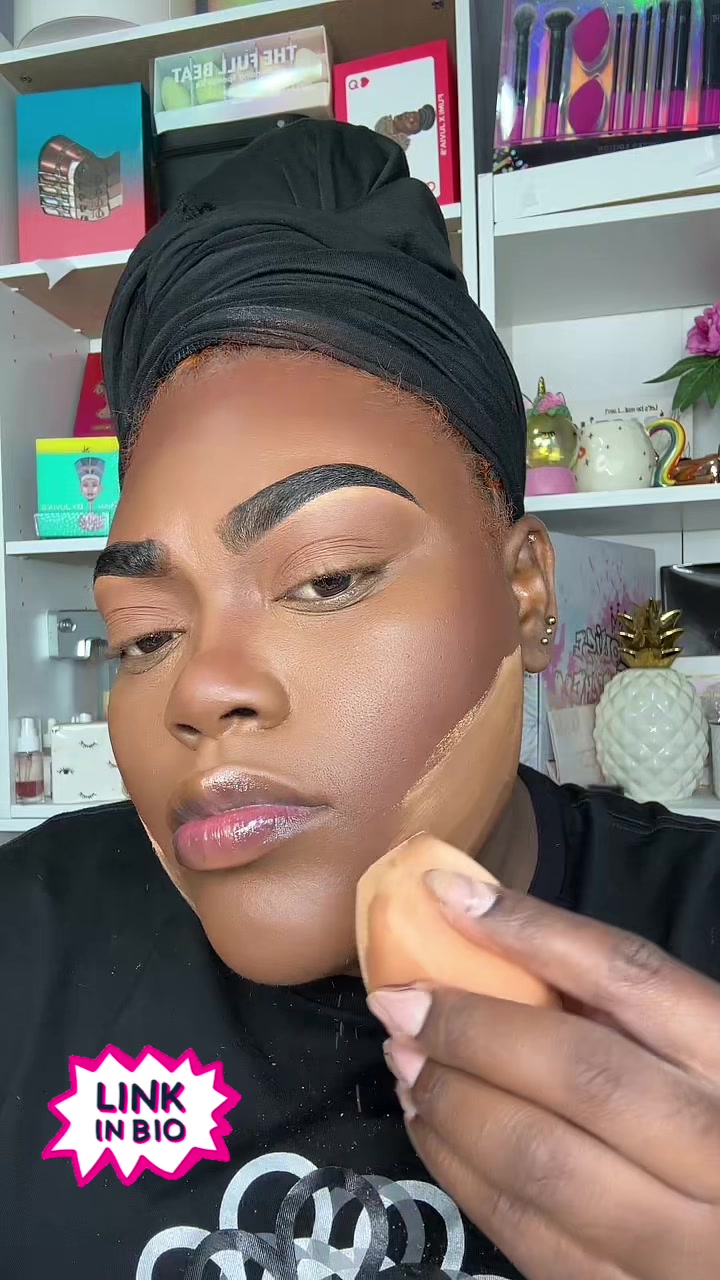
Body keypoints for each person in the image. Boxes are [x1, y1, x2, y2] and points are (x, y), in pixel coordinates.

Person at [1, 120, 718, 1280]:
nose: (203, 686)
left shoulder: (700, 932)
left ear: (526, 592)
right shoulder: (28, 943)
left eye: (328, 577)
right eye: (145, 635)